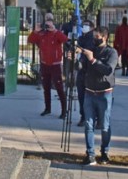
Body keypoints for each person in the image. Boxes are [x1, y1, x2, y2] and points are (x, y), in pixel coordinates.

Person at [78, 27, 118, 166]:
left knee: (105, 125)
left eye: (97, 36)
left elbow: (108, 70)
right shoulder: (91, 50)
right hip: (89, 92)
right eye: (93, 36)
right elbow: (81, 67)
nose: (94, 39)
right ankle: (90, 154)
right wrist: (75, 59)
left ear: (105, 37)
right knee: (89, 125)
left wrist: (93, 60)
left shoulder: (111, 52)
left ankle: (105, 152)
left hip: (104, 93)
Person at [27, 13, 69, 118]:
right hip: (44, 64)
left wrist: (54, 30)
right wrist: (36, 30)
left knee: (59, 88)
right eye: (46, 19)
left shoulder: (56, 32)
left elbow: (65, 40)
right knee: (46, 88)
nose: (48, 21)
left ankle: (64, 110)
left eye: (50, 19)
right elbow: (30, 40)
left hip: (55, 65)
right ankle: (47, 108)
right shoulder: (41, 33)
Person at [74, 20, 96, 126]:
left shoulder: (93, 39)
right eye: (83, 26)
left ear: (92, 27)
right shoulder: (81, 38)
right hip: (81, 70)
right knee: (81, 95)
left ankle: (92, 117)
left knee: (90, 96)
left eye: (86, 26)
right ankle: (83, 116)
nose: (84, 27)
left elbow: (91, 51)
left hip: (90, 70)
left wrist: (81, 50)